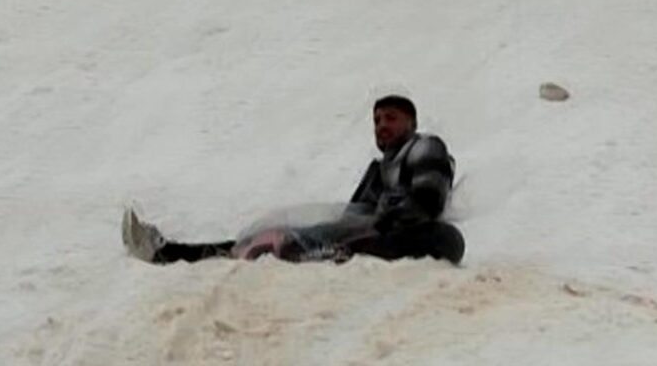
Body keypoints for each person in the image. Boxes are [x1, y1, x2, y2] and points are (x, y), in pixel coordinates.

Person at [122, 95, 465, 265]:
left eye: (391, 118)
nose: (381, 126)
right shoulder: (379, 170)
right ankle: (169, 252)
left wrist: (378, 221)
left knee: (300, 241)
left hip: (417, 238)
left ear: (411, 123)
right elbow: (354, 215)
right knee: (280, 238)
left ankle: (173, 254)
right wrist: (323, 232)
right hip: (377, 236)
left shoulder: (424, 147)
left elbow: (427, 201)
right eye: (376, 120)